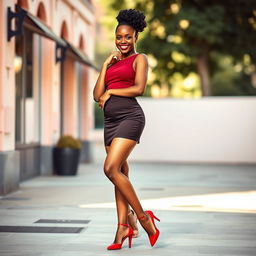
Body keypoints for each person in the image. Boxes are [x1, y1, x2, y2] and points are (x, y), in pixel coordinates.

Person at [93, 9, 160, 250]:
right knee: (120, 175)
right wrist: (104, 66)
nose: (123, 41)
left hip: (130, 117)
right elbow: (95, 95)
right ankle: (123, 227)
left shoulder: (139, 59)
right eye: (119, 37)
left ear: (135, 38)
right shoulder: (112, 62)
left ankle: (143, 218)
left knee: (110, 168)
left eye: (128, 37)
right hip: (110, 123)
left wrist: (112, 91)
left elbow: (139, 88)